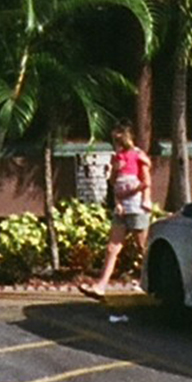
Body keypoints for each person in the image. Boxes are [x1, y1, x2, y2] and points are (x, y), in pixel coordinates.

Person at [82, 126, 150, 297]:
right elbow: (114, 183)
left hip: (136, 206)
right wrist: (115, 171)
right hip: (122, 208)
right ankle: (101, 285)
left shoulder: (138, 155)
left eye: (119, 141)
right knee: (112, 247)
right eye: (115, 142)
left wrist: (132, 195)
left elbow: (145, 182)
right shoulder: (117, 158)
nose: (117, 145)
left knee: (143, 246)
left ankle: (149, 281)